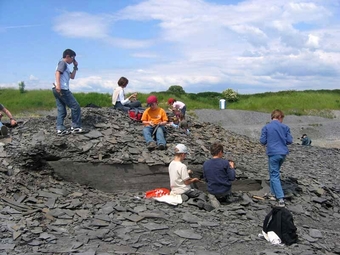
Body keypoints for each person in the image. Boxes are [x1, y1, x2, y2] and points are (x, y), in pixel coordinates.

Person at [260, 109, 293, 207]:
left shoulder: (266, 127)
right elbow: (289, 140)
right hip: (282, 153)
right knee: (274, 173)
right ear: (280, 117)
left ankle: (280, 198)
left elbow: (262, 141)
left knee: (274, 174)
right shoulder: (285, 127)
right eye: (282, 118)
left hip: (273, 153)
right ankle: (273, 193)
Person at [169, 144, 213, 211]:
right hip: (183, 190)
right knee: (201, 193)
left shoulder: (171, 164)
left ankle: (186, 198)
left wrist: (187, 172)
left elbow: (177, 174)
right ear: (182, 154)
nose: (185, 156)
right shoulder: (182, 166)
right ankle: (197, 202)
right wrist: (194, 180)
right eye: (185, 155)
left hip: (174, 190)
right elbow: (186, 182)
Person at [52, 49, 82, 135]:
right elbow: (57, 73)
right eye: (73, 58)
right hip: (62, 89)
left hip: (57, 89)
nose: (73, 60)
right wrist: (58, 85)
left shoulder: (66, 66)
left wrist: (75, 67)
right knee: (75, 106)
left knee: (61, 110)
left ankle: (60, 128)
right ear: (68, 56)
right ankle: (76, 126)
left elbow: (72, 77)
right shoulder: (63, 63)